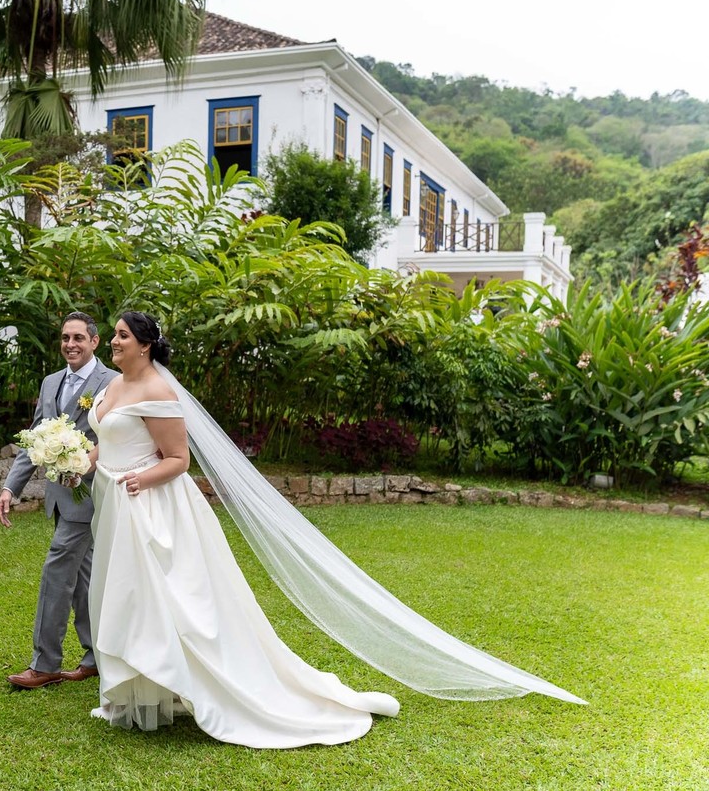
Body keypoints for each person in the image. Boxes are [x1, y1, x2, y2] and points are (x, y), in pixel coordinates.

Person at [84, 311, 584, 749]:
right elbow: (106, 442)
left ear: (145, 344)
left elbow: (178, 460)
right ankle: (136, 695)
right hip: (117, 507)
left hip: (153, 510)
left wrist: (138, 479)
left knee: (171, 602)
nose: (114, 342)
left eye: (123, 336)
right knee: (126, 598)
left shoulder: (159, 390)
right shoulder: (111, 387)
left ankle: (208, 686)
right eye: (114, 336)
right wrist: (77, 460)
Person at [0, 312, 118, 690]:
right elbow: (34, 439)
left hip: (90, 496)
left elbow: (118, 437)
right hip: (58, 497)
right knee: (84, 580)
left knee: (56, 573)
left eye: (79, 338)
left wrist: (87, 466)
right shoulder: (51, 382)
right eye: (66, 338)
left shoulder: (113, 383)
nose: (71, 344)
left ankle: (45, 663)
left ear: (95, 342)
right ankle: (96, 655)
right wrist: (10, 488)